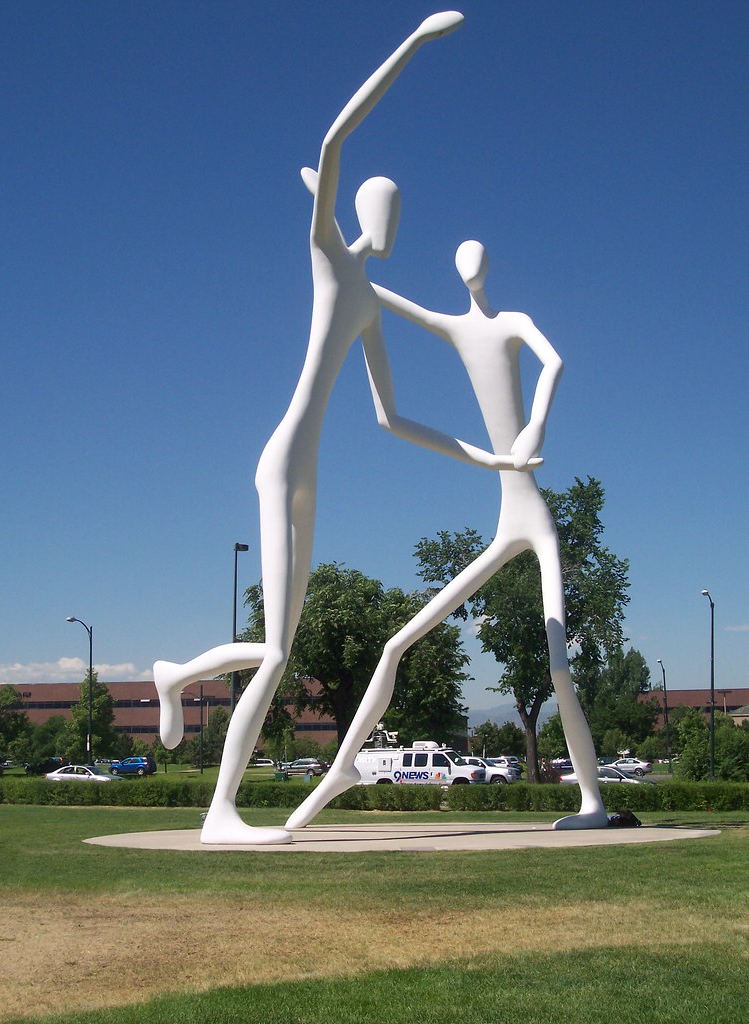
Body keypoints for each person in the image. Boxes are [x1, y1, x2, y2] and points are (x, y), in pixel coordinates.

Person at [153, 13, 530, 845]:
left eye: (398, 213)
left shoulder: (366, 304)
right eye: (382, 208)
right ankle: (220, 814)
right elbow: (331, 142)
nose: (391, 225)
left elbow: (391, 418)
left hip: (311, 473)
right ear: (358, 210)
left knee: (276, 641)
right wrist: (413, 46)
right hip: (281, 460)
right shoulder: (328, 250)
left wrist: (493, 458)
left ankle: (177, 674)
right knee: (281, 654)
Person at [287, 239, 608, 832]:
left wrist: (537, 424)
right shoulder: (450, 326)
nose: (471, 271)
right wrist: (339, 258)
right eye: (462, 262)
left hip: (534, 519)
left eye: (479, 259)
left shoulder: (513, 322)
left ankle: (592, 801)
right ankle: (343, 769)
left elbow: (554, 362)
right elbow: (377, 295)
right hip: (502, 522)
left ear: (488, 266)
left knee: (558, 663)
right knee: (393, 647)